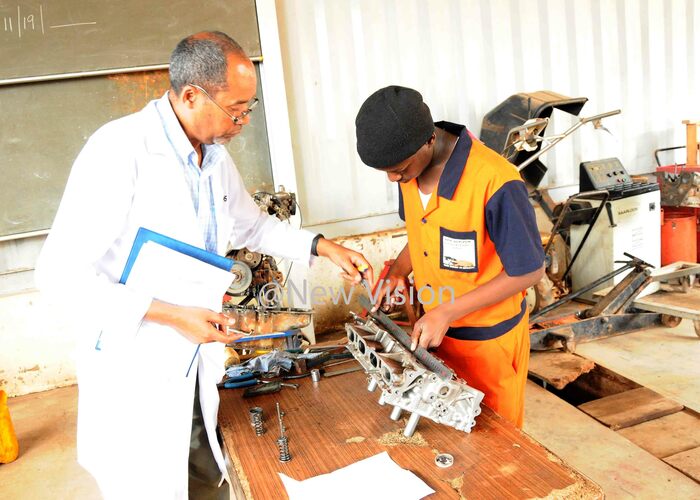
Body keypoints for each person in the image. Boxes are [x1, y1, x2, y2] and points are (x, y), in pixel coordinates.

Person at [36, 31, 373, 499]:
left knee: (205, 473)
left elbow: (252, 227)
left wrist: (321, 246)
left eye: (248, 109)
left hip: (194, 357)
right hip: (136, 366)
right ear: (192, 95)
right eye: (237, 109)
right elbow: (58, 275)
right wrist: (174, 315)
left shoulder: (213, 157)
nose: (243, 122)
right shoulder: (119, 151)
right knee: (148, 484)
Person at [354, 86, 544, 428]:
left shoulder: (496, 181)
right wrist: (398, 270)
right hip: (436, 338)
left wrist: (447, 311)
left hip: (489, 346)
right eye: (386, 171)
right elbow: (423, 232)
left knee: (496, 446)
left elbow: (528, 270)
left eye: (398, 169)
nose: (393, 178)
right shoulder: (409, 170)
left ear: (429, 140)